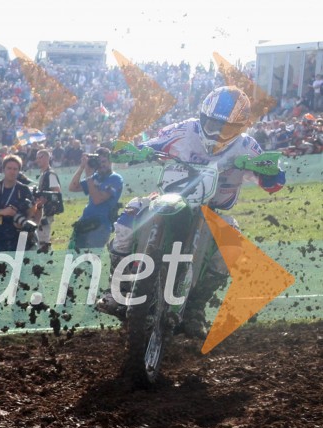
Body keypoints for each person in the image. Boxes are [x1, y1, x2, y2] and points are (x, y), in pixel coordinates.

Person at [97, 86, 286, 338]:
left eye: (226, 128)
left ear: (239, 128)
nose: (217, 132)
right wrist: (134, 150)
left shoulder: (246, 146)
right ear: (202, 116)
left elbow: (273, 183)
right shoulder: (185, 129)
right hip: (169, 198)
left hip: (213, 211)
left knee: (233, 247)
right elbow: (149, 145)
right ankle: (117, 290)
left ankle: (196, 307)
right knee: (126, 221)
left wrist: (269, 170)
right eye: (211, 123)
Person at [0, 155, 43, 252]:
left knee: (20, 266)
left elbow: (34, 212)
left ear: (19, 171)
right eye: (9, 168)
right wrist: (1, 212)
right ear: (3, 169)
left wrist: (26, 224)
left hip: (19, 239)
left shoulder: (24, 190)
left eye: (15, 169)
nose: (12, 171)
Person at [68, 147, 123, 249]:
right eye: (99, 162)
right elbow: (73, 187)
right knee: (72, 257)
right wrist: (82, 167)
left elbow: (97, 200)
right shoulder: (95, 176)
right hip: (85, 222)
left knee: (89, 260)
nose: (101, 165)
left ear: (110, 162)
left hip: (100, 227)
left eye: (104, 161)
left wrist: (89, 176)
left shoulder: (115, 178)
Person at [34, 149, 62, 251]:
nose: (37, 160)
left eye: (40, 157)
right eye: (37, 158)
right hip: (42, 210)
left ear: (47, 158)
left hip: (47, 211)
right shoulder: (44, 174)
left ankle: (48, 261)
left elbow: (57, 192)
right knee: (41, 238)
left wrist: (46, 199)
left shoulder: (50, 174)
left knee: (43, 239)